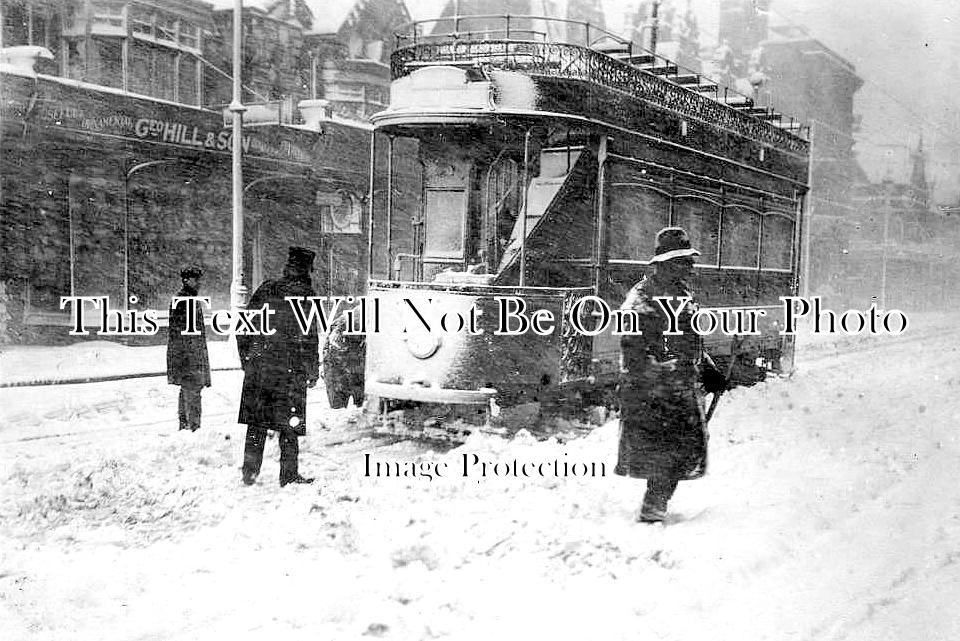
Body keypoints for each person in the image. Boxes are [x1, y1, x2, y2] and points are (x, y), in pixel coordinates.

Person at [615, 227, 727, 523]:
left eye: (690, 261)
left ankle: (655, 506)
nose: (690, 267)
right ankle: (653, 509)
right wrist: (663, 375)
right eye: (684, 261)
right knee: (667, 454)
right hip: (654, 394)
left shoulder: (681, 294)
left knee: (679, 452)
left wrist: (708, 369)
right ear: (665, 264)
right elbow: (634, 352)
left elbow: (690, 342)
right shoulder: (642, 298)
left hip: (677, 389)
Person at [237, 247, 320, 487]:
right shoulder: (306, 296)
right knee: (289, 424)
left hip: (261, 368)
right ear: (307, 270)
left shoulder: (266, 289)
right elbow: (309, 337)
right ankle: (289, 474)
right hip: (289, 369)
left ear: (287, 267)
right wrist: (311, 369)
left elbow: (244, 327)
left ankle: (249, 472)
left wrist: (248, 359)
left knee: (257, 422)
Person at [166, 266, 211, 431]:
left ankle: (185, 426)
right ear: (185, 280)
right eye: (195, 279)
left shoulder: (187, 299)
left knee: (187, 389)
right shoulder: (185, 301)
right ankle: (193, 428)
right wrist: (192, 356)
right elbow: (181, 332)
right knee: (192, 389)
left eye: (199, 279)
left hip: (187, 354)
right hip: (189, 355)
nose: (199, 283)